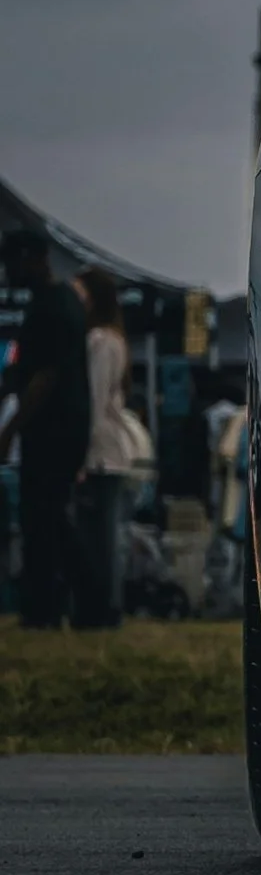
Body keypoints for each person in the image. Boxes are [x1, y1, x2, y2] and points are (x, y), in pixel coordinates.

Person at [2, 227, 92, 626]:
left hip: (53, 431)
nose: (8, 272)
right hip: (61, 429)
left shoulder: (52, 307)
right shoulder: (59, 302)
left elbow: (45, 377)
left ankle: (54, 607)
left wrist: (10, 429)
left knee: (44, 518)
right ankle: (76, 606)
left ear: (32, 258)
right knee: (50, 518)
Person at [73, 267, 151, 633]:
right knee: (103, 536)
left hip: (102, 452)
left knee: (99, 539)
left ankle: (103, 610)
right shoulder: (113, 339)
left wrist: (82, 455)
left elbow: (93, 399)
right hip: (109, 451)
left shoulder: (100, 341)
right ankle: (104, 608)